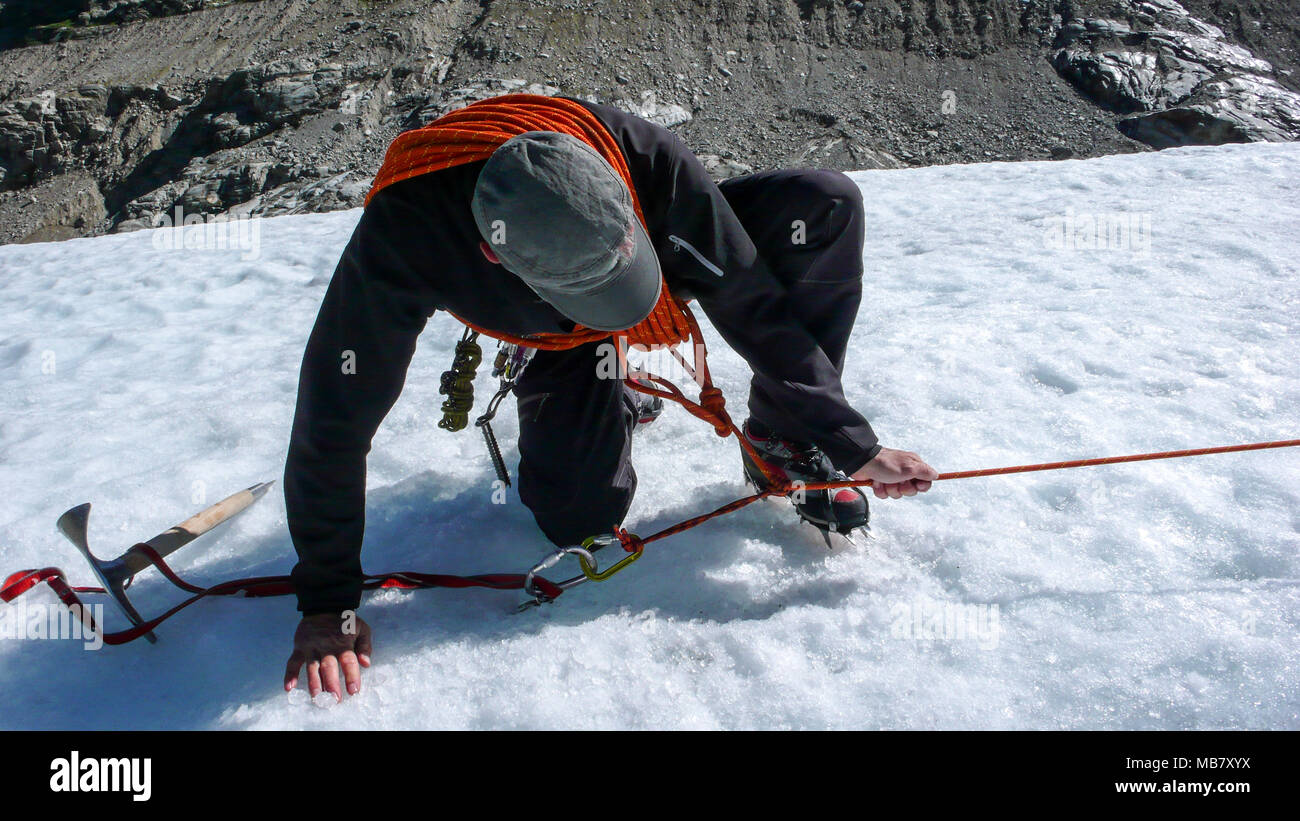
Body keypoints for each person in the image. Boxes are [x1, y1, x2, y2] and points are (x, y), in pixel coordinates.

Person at [282, 94, 937, 701]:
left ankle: (783, 437)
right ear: (492, 253)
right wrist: (327, 602)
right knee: (581, 519)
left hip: (652, 241)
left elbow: (750, 298)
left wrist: (849, 441)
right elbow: (334, 417)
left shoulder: (645, 159)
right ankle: (600, 377)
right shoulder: (405, 235)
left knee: (822, 201)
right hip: (551, 332)